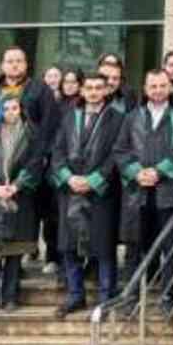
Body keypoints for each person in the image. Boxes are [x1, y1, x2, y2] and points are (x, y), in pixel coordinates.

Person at [114, 69, 173, 313]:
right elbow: (120, 150)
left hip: (168, 193)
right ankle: (131, 296)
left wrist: (159, 172)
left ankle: (169, 297)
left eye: (162, 85)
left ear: (169, 87)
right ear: (145, 89)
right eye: (153, 86)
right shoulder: (132, 117)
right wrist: (137, 172)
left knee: (169, 247)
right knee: (135, 247)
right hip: (137, 192)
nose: (158, 90)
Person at [51, 72, 123, 317]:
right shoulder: (70, 116)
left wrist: (94, 180)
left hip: (101, 191)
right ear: (81, 91)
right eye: (89, 88)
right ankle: (75, 295)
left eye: (98, 88)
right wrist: (68, 177)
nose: (93, 92)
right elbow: (58, 150)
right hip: (70, 189)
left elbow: (117, 153)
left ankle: (106, 297)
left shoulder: (118, 118)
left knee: (103, 248)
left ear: (106, 91)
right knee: (69, 247)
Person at [0, 96, 44, 314]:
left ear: (21, 110)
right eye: (6, 108)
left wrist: (17, 185)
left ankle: (11, 297)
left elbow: (35, 163)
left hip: (18, 198)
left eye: (15, 108)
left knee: (14, 253)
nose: (11, 112)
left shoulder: (32, 135)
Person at [0, 47, 61, 272]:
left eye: (19, 61)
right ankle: (9, 259)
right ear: (3, 65)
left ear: (26, 65)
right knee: (5, 212)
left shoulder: (40, 90)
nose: (14, 65)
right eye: (10, 61)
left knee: (40, 211)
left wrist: (40, 156)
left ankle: (49, 255)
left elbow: (50, 125)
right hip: (1, 161)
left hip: (32, 161)